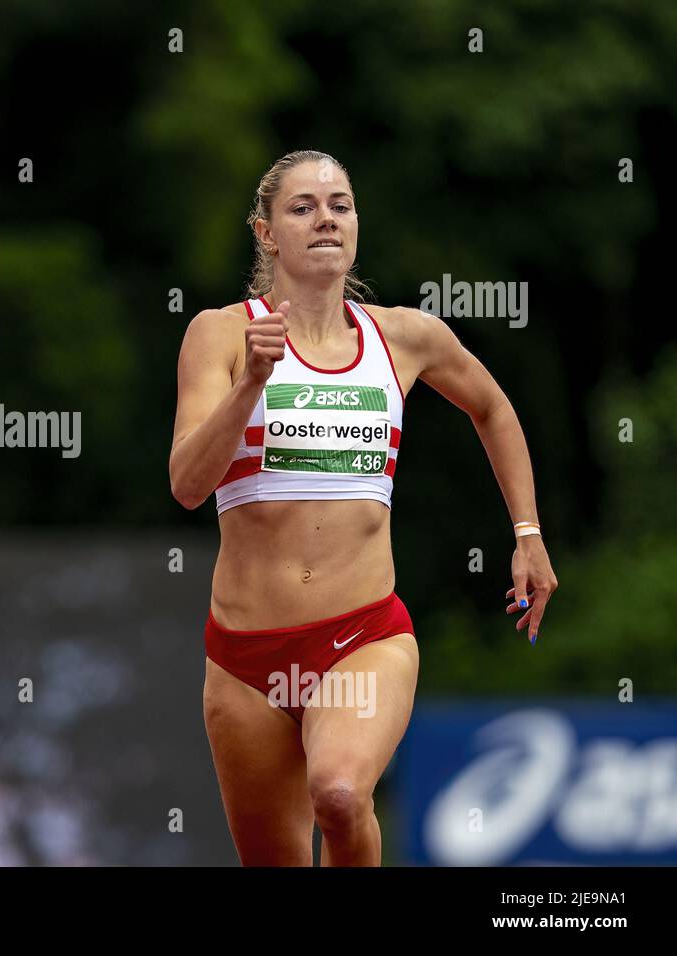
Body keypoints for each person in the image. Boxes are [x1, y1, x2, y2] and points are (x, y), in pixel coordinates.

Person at [169, 150, 558, 866]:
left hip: (362, 634)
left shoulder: (405, 336)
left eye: (340, 204)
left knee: (341, 794)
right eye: (302, 206)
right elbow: (189, 484)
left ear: (356, 225)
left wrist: (527, 533)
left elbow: (494, 409)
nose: (325, 218)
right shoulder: (222, 335)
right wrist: (251, 382)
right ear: (265, 232)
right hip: (245, 659)